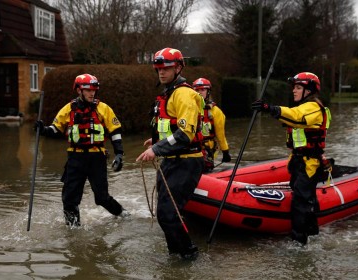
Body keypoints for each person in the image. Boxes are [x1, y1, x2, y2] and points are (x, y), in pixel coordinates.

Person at [136, 47, 205, 260]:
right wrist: (156, 140)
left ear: (178, 68)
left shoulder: (183, 94)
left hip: (186, 162)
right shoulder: (169, 93)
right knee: (165, 214)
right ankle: (175, 255)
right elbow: (171, 128)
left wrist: (156, 148)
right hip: (172, 161)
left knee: (167, 214)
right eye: (158, 69)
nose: (161, 73)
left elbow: (185, 133)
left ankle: (188, 256)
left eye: (166, 68)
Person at [35, 73, 127, 227]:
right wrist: (42, 129)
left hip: (96, 158)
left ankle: (123, 214)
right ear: (79, 90)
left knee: (101, 198)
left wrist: (119, 154)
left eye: (94, 90)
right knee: (69, 199)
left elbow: (115, 131)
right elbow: (55, 129)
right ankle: (73, 233)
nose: (92, 93)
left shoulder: (103, 108)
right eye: (88, 90)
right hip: (75, 159)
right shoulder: (68, 109)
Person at [251, 72, 331, 245]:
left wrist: (269, 108)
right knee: (305, 197)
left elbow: (296, 117)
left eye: (298, 87)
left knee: (301, 202)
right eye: (294, 87)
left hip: (309, 163)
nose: (294, 91)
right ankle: (312, 233)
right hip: (299, 160)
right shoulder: (303, 106)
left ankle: (299, 243)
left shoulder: (313, 107)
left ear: (309, 90)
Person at [192, 78, 231, 173]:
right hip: (190, 149)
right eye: (197, 90)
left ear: (208, 92)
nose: (200, 92)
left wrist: (225, 152)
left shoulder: (216, 112)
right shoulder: (188, 108)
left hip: (207, 150)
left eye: (202, 90)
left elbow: (220, 135)